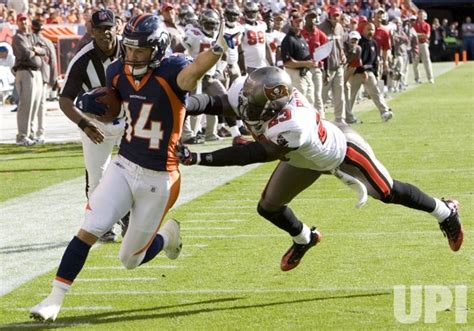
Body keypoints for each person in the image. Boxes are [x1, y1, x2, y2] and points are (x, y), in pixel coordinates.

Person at [30, 12, 229, 322]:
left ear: (158, 49)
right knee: (90, 229)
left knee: (129, 260)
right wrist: (96, 109)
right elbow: (117, 107)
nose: (133, 56)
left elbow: (193, 73)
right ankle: (54, 298)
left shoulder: (173, 71)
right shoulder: (116, 72)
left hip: (160, 177)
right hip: (124, 165)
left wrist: (216, 51)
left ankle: (166, 236)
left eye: (141, 50)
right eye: (130, 48)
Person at [179, 67, 464, 272]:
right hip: (302, 160)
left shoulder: (293, 124)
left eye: (254, 108)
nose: (245, 109)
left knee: (387, 192)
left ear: (274, 108)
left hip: (340, 152)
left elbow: (256, 152)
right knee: (268, 207)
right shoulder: (251, 87)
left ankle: (444, 211)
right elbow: (221, 104)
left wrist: (199, 158)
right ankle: (305, 238)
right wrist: (185, 104)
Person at [58, 9, 125, 242]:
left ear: (118, 27)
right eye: (100, 28)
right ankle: (101, 222)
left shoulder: (131, 51)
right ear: (92, 30)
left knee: (136, 169)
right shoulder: (83, 58)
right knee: (97, 175)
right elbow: (65, 100)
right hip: (95, 123)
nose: (105, 33)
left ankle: (127, 215)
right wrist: (85, 124)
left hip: (129, 119)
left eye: (109, 27)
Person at [348, 23, 393, 122]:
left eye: (372, 30)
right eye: (368, 29)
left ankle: (384, 112)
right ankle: (347, 116)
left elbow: (375, 60)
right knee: (351, 95)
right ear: (363, 30)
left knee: (376, 92)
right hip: (357, 72)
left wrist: (376, 73)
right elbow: (356, 59)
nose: (370, 32)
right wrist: (361, 70)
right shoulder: (360, 42)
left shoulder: (374, 43)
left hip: (369, 72)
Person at [11, 12, 44, 146]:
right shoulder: (17, 37)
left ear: (29, 21)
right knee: (26, 104)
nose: (24, 22)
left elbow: (45, 50)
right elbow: (24, 54)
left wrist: (35, 50)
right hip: (24, 71)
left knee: (35, 104)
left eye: (25, 20)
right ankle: (22, 135)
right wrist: (36, 50)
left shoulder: (33, 36)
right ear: (17, 22)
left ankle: (30, 133)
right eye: (21, 20)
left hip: (36, 72)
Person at [281, 12, 317, 106]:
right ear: (291, 22)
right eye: (296, 21)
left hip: (305, 73)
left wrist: (311, 62)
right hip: (295, 74)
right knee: (301, 102)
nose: (299, 23)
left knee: (310, 101)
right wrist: (306, 63)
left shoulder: (301, 38)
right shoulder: (288, 39)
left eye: (301, 21)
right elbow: (287, 63)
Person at [31, 18, 58, 144]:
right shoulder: (47, 41)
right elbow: (53, 62)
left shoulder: (33, 41)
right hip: (41, 76)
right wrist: (53, 78)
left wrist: (53, 78)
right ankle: (38, 132)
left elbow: (52, 61)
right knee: (39, 105)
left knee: (36, 105)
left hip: (39, 76)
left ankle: (36, 132)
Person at [318, 6, 347, 122]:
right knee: (322, 96)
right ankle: (321, 120)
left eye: (337, 15)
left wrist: (342, 54)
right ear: (329, 16)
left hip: (338, 65)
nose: (336, 17)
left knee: (340, 95)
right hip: (327, 67)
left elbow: (340, 44)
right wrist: (323, 68)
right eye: (334, 15)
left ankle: (340, 119)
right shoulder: (321, 28)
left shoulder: (340, 27)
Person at [413, 9, 434, 84]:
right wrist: (421, 35)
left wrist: (418, 35)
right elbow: (413, 35)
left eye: (422, 15)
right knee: (415, 63)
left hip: (423, 44)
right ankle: (417, 78)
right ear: (418, 16)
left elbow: (427, 36)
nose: (421, 17)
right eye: (420, 15)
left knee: (427, 61)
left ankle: (430, 78)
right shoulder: (414, 24)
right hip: (415, 45)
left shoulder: (427, 25)